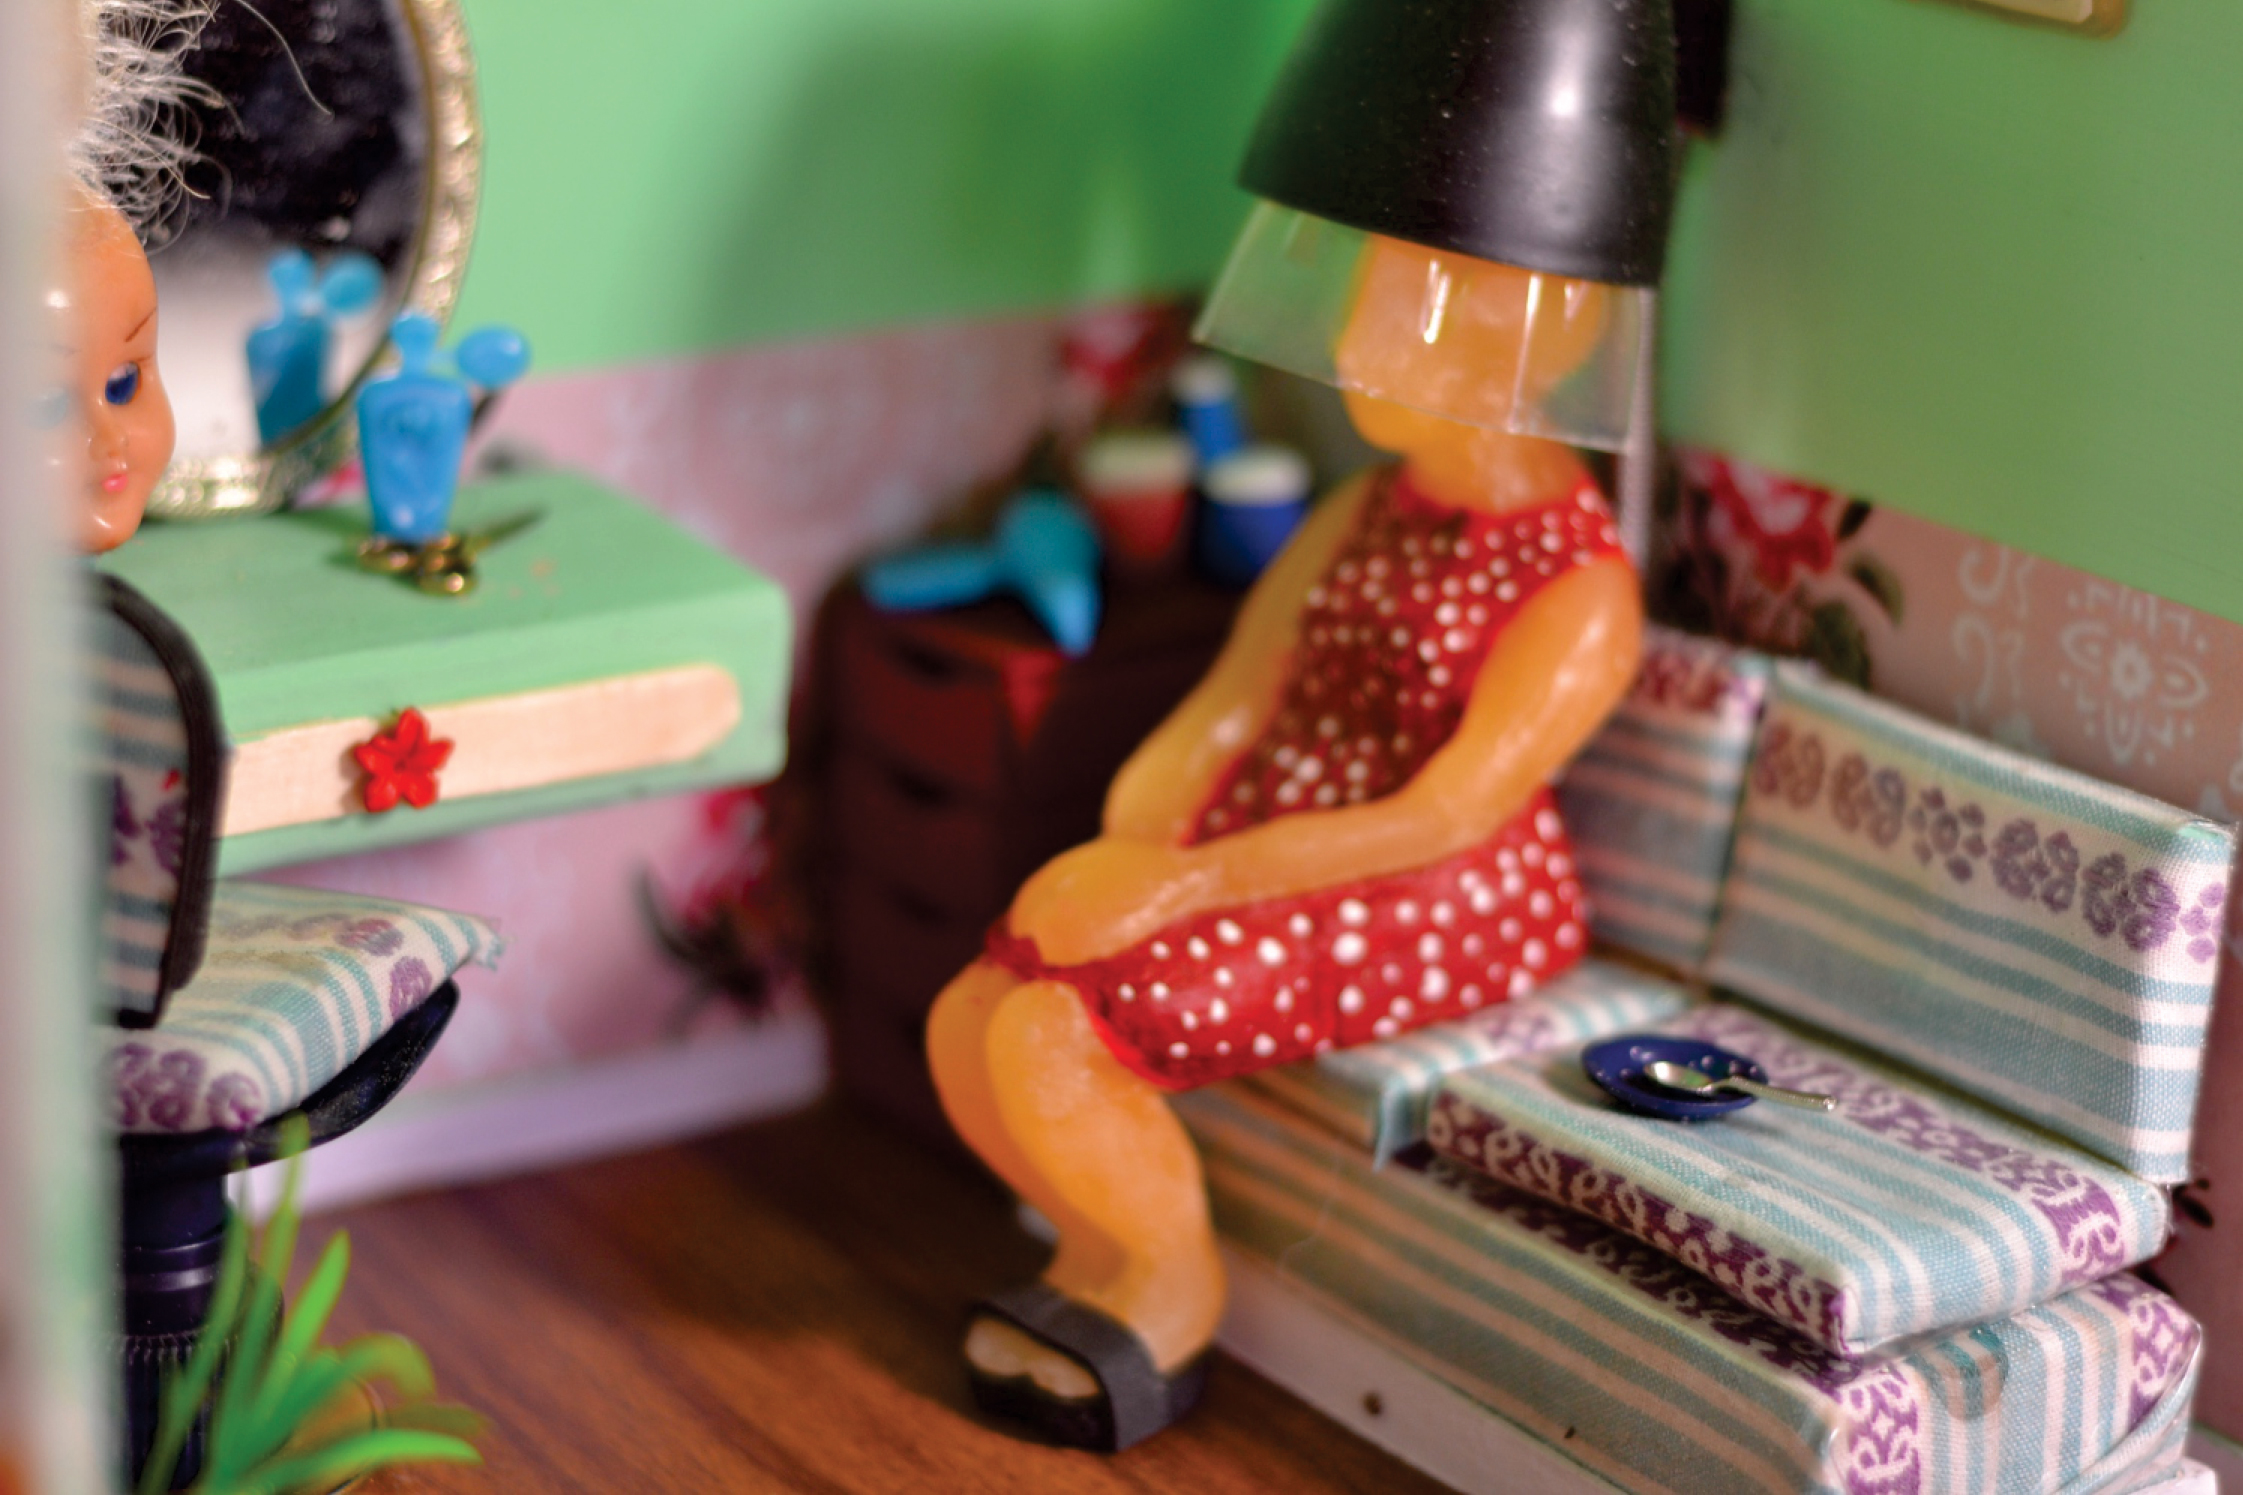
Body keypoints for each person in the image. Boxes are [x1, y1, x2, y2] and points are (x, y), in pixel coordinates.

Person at [927, 234, 1645, 1450]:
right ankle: (1094, 1255)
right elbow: (1235, 696)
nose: (1357, 348)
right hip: (1270, 837)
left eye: (1405, 322)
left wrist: (1181, 884)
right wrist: (1131, 839)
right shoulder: (1360, 509)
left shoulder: (1578, 590)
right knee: (974, 1007)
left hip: (1432, 890)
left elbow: (1444, 814)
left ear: (1536, 340)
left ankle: (1168, 1286)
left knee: (1056, 1030)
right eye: (1367, 309)